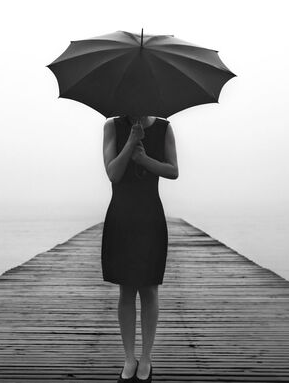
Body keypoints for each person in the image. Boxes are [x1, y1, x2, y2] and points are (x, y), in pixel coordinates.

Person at [101, 114, 179, 382]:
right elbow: (113, 173)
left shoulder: (163, 128)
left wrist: (145, 160)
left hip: (150, 216)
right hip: (122, 215)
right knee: (126, 289)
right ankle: (128, 357)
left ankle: (145, 358)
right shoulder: (112, 126)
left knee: (149, 289)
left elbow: (173, 170)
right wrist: (131, 140)